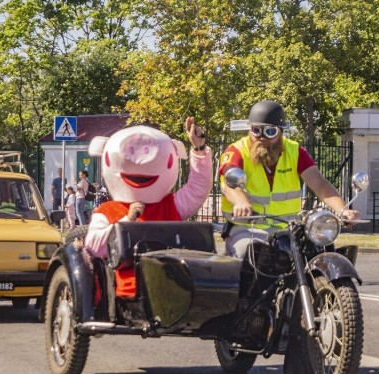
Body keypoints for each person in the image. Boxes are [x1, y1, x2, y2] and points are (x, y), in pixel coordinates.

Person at [84, 117, 211, 298]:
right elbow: (94, 246)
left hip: (174, 283)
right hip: (131, 290)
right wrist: (127, 221)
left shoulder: (171, 205)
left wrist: (199, 150)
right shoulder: (107, 211)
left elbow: (198, 188)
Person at [219, 100, 359, 258]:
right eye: (256, 130)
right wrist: (240, 202)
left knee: (318, 250)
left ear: (281, 131)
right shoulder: (237, 151)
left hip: (288, 229)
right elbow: (229, 182)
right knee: (248, 253)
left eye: (270, 132)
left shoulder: (295, 151)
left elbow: (319, 184)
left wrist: (343, 210)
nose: (262, 138)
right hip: (246, 228)